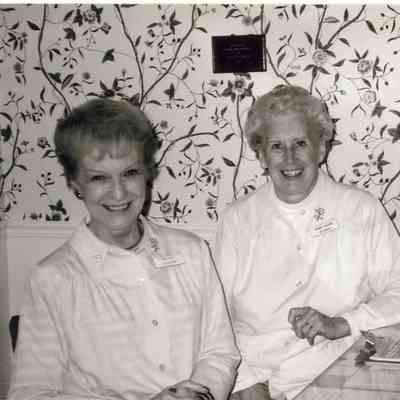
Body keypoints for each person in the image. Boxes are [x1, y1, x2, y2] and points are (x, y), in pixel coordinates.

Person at [8, 98, 240, 400]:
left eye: (129, 173)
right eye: (99, 178)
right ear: (75, 183)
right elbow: (30, 394)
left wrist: (194, 396)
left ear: (147, 173)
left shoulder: (191, 252)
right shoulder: (52, 278)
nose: (118, 193)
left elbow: (219, 352)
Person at [214, 85, 400, 400]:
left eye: (301, 143)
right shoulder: (237, 220)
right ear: (261, 156)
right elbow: (215, 317)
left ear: (321, 149)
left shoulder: (361, 210)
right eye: (276, 146)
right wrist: (245, 383)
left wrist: (342, 323)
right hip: (254, 375)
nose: (290, 158)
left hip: (335, 374)